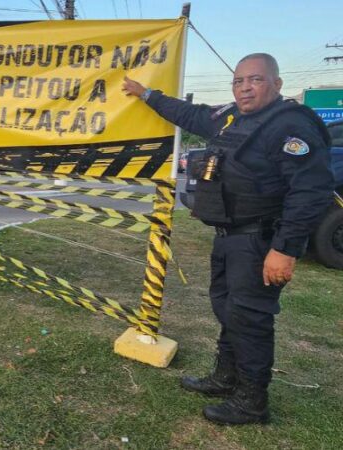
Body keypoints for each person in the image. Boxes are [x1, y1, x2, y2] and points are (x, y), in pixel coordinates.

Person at [122, 53, 333, 425]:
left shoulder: (290, 126)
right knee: (227, 309)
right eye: (238, 81)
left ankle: (252, 402)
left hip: (260, 241)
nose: (245, 88)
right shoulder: (231, 117)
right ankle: (226, 378)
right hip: (229, 237)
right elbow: (190, 115)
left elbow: (311, 191)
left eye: (255, 80)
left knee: (250, 318)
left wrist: (284, 249)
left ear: (277, 84)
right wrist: (147, 94)